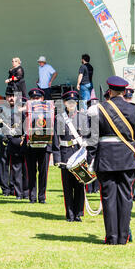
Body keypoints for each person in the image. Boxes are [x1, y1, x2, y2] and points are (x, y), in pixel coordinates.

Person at [86, 76, 135, 245]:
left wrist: (90, 158)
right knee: (126, 197)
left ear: (110, 91)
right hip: (127, 158)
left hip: (105, 159)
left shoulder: (99, 109)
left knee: (108, 198)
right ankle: (124, 237)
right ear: (125, 92)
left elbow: (92, 139)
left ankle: (111, 237)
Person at [52, 91, 88, 222]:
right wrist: (57, 158)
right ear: (65, 103)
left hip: (79, 154)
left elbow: (87, 137)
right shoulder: (59, 118)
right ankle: (70, 214)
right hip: (65, 154)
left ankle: (79, 213)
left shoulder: (82, 117)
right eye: (68, 102)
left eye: (73, 102)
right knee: (67, 187)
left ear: (76, 103)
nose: (71, 104)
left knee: (79, 184)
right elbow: (55, 139)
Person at [25, 88, 52, 204]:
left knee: (43, 172)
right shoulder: (25, 112)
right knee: (31, 172)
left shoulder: (49, 111)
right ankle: (32, 197)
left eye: (38, 98)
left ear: (42, 99)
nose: (36, 100)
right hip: (30, 146)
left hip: (45, 146)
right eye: (33, 98)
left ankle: (42, 197)